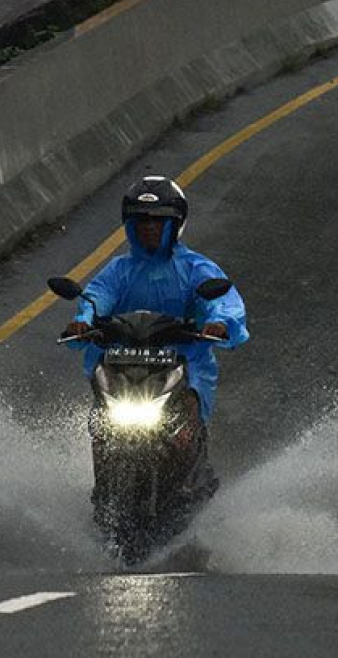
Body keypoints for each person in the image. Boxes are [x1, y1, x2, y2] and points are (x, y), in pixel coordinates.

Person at [63, 175, 248, 487]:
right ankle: (103, 487)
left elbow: (223, 301)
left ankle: (189, 480)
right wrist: (85, 319)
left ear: (174, 226)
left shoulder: (195, 269)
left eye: (157, 222)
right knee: (102, 426)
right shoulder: (118, 270)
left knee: (186, 414)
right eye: (141, 221)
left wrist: (220, 322)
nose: (148, 228)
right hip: (122, 362)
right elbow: (96, 297)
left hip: (183, 364)